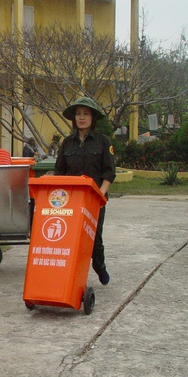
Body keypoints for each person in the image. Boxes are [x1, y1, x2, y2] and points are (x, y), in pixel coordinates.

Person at [55, 97, 116, 285]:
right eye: (78, 114)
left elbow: (109, 172)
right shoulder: (67, 143)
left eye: (86, 113)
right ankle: (70, 274)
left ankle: (100, 268)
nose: (81, 118)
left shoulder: (103, 142)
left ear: (93, 117)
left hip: (95, 200)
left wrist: (100, 196)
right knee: (69, 237)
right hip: (71, 200)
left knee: (94, 238)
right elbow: (60, 172)